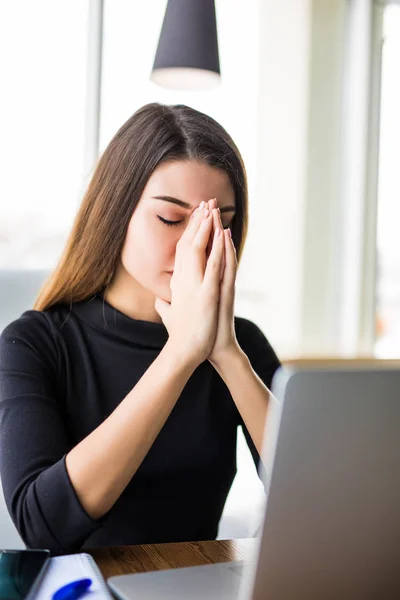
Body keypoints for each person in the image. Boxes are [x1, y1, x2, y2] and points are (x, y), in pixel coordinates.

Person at [0, 103, 280, 554]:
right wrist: (180, 353)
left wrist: (225, 353)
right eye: (171, 219)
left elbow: (312, 498)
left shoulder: (240, 344)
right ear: (116, 214)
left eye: (219, 224)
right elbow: (43, 524)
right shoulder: (34, 343)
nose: (197, 245)